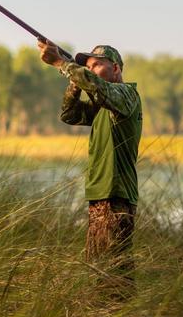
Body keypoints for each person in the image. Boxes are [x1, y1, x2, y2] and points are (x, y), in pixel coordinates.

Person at [37, 40, 142, 267]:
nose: (91, 70)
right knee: (99, 268)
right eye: (88, 67)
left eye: (96, 65)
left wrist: (61, 63)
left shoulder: (126, 95)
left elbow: (99, 87)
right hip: (100, 195)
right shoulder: (101, 107)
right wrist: (76, 81)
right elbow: (69, 114)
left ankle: (118, 304)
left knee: (113, 272)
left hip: (116, 196)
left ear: (115, 69)